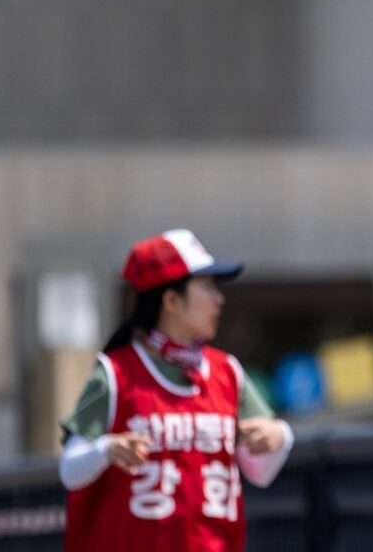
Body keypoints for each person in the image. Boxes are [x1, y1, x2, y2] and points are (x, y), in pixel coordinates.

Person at [59, 229, 294, 552]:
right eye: (208, 287)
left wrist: (281, 436)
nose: (219, 299)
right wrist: (105, 449)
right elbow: (70, 470)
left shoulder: (227, 372)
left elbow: (260, 474)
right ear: (171, 300)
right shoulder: (114, 373)